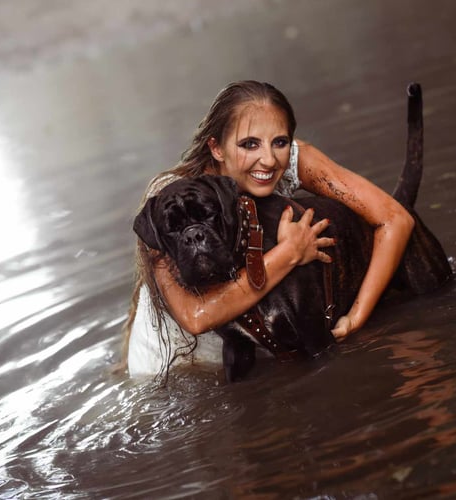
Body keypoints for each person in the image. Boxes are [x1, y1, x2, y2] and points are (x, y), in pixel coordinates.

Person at [123, 80, 414, 378]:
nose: (269, 159)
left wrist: (357, 315)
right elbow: (197, 318)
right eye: (249, 144)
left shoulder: (294, 160)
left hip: (257, 339)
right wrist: (289, 252)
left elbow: (395, 219)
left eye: (280, 141)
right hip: (179, 350)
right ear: (216, 148)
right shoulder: (166, 201)